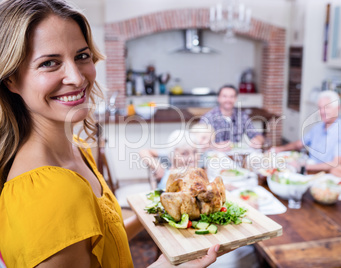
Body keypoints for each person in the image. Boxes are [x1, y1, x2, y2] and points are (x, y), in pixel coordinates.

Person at [0, 0, 219, 267]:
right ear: (11, 78)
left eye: (82, 56)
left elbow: (99, 244)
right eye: (49, 63)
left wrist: (157, 212)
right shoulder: (47, 190)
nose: (77, 78)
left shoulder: (76, 149)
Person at [274, 90, 341, 172]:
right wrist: (280, 149)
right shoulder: (318, 127)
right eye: (320, 108)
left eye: (327, 107)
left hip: (326, 174)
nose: (322, 112)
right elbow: (299, 144)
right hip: (309, 168)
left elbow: (335, 163)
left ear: (337, 108)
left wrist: (304, 166)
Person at [200, 84, 265, 151]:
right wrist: (216, 146)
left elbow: (256, 135)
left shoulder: (242, 116)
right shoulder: (208, 117)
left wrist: (258, 140)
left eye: (232, 96)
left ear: (236, 98)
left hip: (236, 157)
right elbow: (199, 143)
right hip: (213, 157)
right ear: (218, 98)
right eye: (225, 96)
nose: (228, 100)